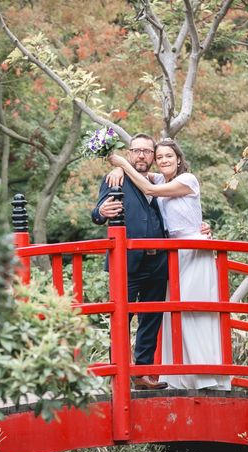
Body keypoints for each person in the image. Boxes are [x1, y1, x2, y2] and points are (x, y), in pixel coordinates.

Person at [108, 139, 231, 390]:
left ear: (178, 159)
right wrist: (119, 168)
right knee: (176, 312)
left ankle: (205, 374)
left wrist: (121, 162)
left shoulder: (187, 180)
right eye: (160, 156)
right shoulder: (159, 180)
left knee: (195, 310)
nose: (164, 160)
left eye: (169, 156)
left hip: (194, 251)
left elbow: (146, 187)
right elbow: (140, 172)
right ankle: (180, 375)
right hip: (172, 254)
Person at [91, 133, 169, 390]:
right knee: (122, 317)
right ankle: (119, 374)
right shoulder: (116, 178)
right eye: (137, 150)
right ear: (128, 152)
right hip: (125, 261)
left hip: (157, 261)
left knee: (151, 318)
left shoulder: (162, 182)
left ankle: (143, 373)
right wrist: (101, 211)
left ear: (153, 156)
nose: (142, 155)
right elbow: (97, 212)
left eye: (147, 151)